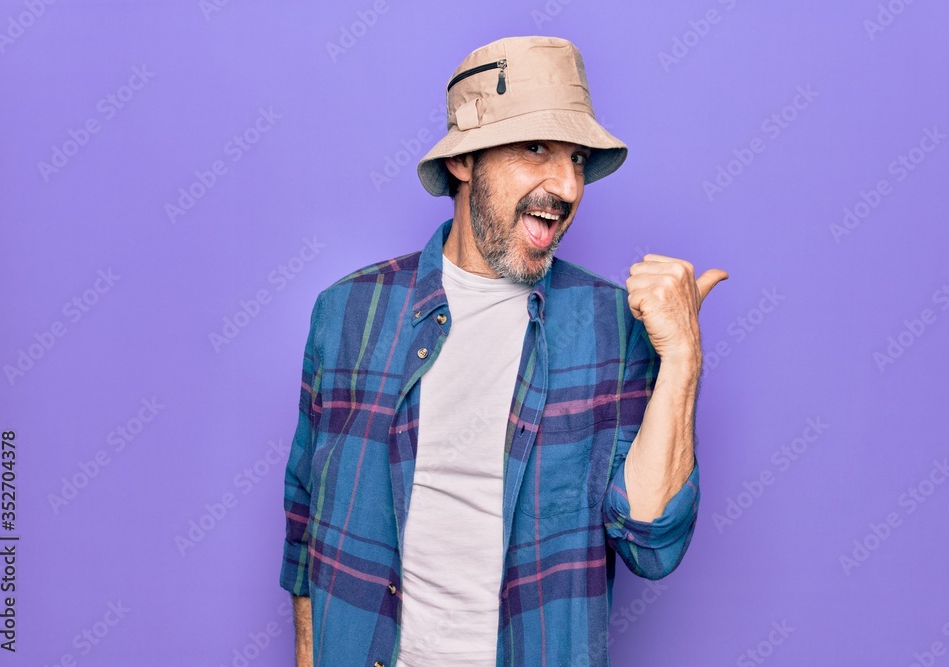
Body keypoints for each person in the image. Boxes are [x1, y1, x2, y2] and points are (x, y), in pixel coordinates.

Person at [279, 35, 727, 666]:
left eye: (576, 158)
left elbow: (653, 543)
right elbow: (306, 526)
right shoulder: (348, 314)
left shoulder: (612, 327)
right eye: (537, 148)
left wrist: (682, 356)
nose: (567, 185)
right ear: (464, 161)